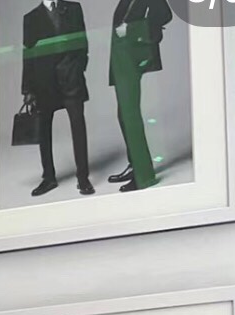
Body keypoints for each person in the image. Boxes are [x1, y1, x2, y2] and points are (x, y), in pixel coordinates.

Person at [21, 0, 95, 197]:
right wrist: (27, 88)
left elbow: (82, 40)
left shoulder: (73, 8)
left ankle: (83, 177)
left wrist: (79, 67)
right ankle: (49, 178)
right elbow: (28, 54)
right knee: (44, 131)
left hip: (71, 78)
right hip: (44, 82)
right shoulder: (30, 18)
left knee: (78, 127)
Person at [107, 0, 174, 191]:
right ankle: (135, 165)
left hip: (132, 53)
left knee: (130, 115)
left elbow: (165, 15)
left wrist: (131, 30)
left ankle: (144, 175)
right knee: (123, 114)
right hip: (122, 52)